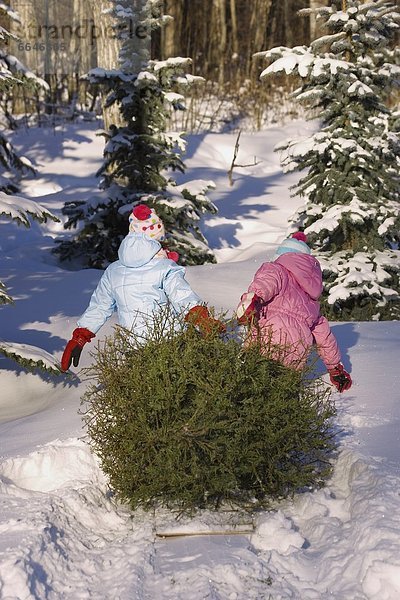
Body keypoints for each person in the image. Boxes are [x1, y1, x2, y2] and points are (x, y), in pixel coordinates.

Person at [61, 204, 222, 371]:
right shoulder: (164, 266)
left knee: (148, 391)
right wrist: (201, 319)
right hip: (172, 342)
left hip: (136, 349)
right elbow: (181, 295)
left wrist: (80, 337)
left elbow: (100, 306)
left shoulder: (113, 270)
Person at [235, 232, 352, 392]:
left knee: (251, 383)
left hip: (268, 335)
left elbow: (267, 281)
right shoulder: (312, 299)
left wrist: (254, 297)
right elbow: (324, 336)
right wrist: (335, 368)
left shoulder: (277, 269)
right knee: (283, 389)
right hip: (298, 348)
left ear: (282, 256)